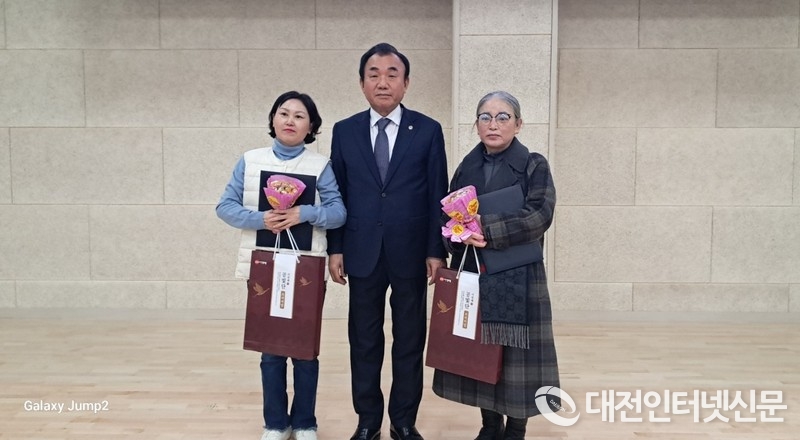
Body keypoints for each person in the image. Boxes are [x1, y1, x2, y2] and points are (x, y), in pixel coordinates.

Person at [327, 43, 449, 440]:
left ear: (406, 83)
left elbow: (437, 193)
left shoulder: (428, 130)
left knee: (410, 338)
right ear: (362, 83)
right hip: (361, 250)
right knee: (363, 339)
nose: (383, 82)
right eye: (374, 74)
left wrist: (436, 250)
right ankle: (367, 421)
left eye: (392, 74)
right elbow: (336, 195)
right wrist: (335, 248)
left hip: (412, 252)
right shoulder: (344, 131)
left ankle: (403, 421)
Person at [216, 91, 346, 440]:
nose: (290, 120)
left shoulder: (320, 166)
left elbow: (338, 213)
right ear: (273, 120)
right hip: (263, 267)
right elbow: (224, 207)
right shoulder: (250, 160)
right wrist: (261, 219)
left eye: (299, 116)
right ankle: (275, 423)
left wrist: (306, 213)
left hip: (306, 269)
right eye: (283, 113)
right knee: (271, 351)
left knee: (304, 352)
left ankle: (304, 423)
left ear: (311, 127)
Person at [431, 91, 560, 440]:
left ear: (518, 124)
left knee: (518, 358)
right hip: (477, 271)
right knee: (481, 351)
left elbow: (540, 215)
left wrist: (484, 228)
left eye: (503, 117)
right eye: (485, 117)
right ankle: (490, 425)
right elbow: (446, 215)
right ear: (476, 126)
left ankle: (516, 428)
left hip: (520, 274)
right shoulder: (466, 167)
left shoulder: (534, 164)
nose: (493, 124)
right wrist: (454, 235)